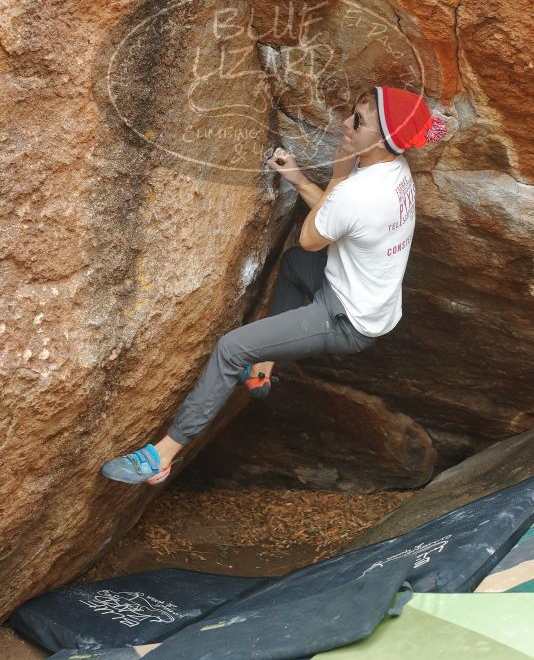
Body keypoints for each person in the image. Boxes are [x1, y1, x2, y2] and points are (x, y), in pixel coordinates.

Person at [100, 85, 447, 484]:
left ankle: (161, 457)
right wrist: (300, 180)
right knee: (297, 266)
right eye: (354, 113)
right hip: (370, 299)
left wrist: (336, 177)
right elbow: (335, 222)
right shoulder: (393, 170)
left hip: (346, 319)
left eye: (359, 121)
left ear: (384, 139)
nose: (346, 123)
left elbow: (312, 236)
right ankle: (261, 371)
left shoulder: (359, 191)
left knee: (231, 348)